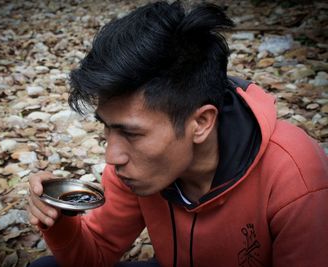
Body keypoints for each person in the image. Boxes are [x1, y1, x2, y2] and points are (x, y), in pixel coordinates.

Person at [27, 1, 328, 267]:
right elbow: (95, 254)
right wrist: (58, 221)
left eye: (131, 133)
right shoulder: (135, 170)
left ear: (201, 123)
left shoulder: (297, 180)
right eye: (106, 127)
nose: (111, 157)